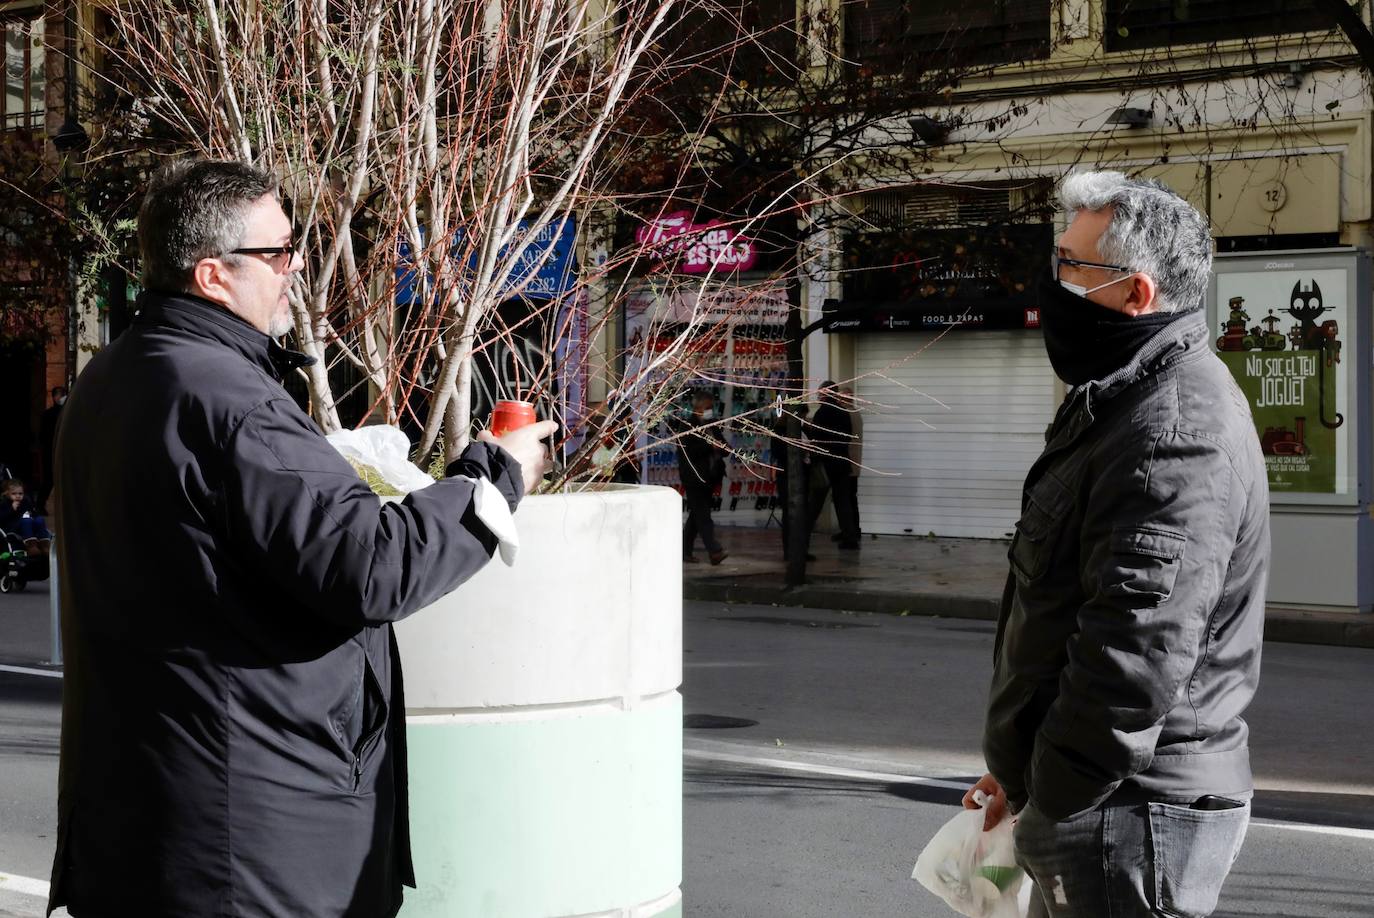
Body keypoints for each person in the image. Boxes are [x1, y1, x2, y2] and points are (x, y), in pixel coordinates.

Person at [47, 159, 556, 918]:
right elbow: (372, 568)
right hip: (253, 841)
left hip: (152, 819)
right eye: (278, 253)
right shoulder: (226, 399)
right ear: (213, 275)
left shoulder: (114, 375)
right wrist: (496, 476)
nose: (296, 268)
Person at [963, 171, 1269, 917]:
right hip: (1099, 803)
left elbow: (1134, 655)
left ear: (1136, 293)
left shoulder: (1173, 432)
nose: (1052, 286)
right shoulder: (1121, 399)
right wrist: (1021, 770)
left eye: (1072, 268)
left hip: (1125, 813)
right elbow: (1067, 612)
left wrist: (1050, 798)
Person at [674, 389, 727, 565]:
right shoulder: (687, 426)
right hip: (694, 478)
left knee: (696, 516)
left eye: (711, 407)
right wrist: (709, 446)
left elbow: (724, 445)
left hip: (710, 477)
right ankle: (714, 550)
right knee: (703, 516)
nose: (710, 410)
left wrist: (721, 447)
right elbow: (689, 452)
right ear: (698, 408)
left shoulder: (712, 424)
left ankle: (683, 551)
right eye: (708, 407)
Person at [810, 381, 860, 549]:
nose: (818, 396)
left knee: (815, 503)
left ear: (825, 394)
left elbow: (816, 438)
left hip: (825, 464)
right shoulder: (844, 413)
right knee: (843, 502)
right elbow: (847, 437)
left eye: (819, 393)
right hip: (842, 463)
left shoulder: (821, 413)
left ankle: (803, 537)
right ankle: (850, 537)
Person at [770, 404, 814, 562]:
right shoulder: (780, 431)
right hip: (787, 476)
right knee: (790, 514)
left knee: (803, 514)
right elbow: (779, 453)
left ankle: (801, 548)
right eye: (801, 417)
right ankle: (790, 550)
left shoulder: (804, 430)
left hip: (804, 474)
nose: (803, 420)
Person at [0, 477, 51, 555]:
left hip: (28, 523)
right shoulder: (5, 503)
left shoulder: (25, 501)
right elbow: (2, 518)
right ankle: (31, 546)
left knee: (39, 519)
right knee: (26, 521)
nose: (18, 496)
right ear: (7, 494)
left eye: (20, 493)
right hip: (12, 528)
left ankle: (44, 544)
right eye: (14, 494)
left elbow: (33, 512)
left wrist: (33, 514)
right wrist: (11, 509)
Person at [38, 386, 66, 513]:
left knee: (52, 480)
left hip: (54, 451)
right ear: (55, 397)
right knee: (49, 480)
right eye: (59, 395)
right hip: (51, 451)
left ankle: (40, 505)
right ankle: (40, 505)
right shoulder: (54, 414)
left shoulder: (60, 412)